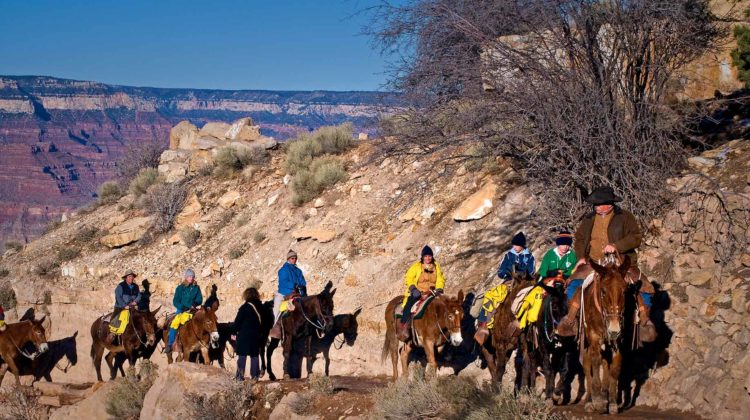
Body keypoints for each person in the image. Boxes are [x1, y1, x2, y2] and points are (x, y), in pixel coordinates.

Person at [557, 186, 656, 342]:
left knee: (644, 287)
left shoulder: (625, 217)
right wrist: (581, 257)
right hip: (595, 263)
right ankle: (571, 319)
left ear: (609, 203)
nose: (595, 207)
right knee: (573, 285)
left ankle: (644, 321)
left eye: (598, 204)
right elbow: (581, 239)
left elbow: (636, 237)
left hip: (621, 263)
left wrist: (617, 245)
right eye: (595, 204)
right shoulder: (589, 219)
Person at [473, 232, 535, 344]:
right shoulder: (508, 255)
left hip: (523, 284)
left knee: (534, 301)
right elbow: (500, 272)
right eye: (514, 245)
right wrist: (507, 272)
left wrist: (521, 273)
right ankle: (483, 325)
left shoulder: (529, 256)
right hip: (509, 282)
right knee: (490, 295)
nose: (515, 247)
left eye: (517, 245)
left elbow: (532, 271)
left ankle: (532, 329)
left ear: (522, 245)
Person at [397, 245, 445, 340]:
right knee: (409, 305)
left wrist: (439, 288)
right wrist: (413, 289)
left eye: (429, 256)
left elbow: (440, 279)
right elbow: (408, 277)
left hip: (432, 292)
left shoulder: (436, 267)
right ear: (422, 257)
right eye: (425, 256)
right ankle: (404, 326)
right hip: (418, 292)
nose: (428, 258)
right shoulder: (416, 266)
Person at [165, 268, 203, 353]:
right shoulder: (180, 288)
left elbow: (200, 299)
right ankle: (170, 344)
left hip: (193, 309)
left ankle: (203, 341)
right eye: (189, 276)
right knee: (174, 323)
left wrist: (195, 303)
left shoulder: (196, 288)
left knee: (202, 320)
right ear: (186, 277)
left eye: (192, 276)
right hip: (182, 309)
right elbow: (175, 301)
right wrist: (182, 307)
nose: (191, 278)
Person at [232, 287, 263, 381]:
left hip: (244, 335)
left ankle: (239, 377)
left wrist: (233, 331)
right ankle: (254, 377)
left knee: (242, 355)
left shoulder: (244, 307)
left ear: (246, 295)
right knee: (254, 356)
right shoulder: (261, 307)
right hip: (256, 335)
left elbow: (237, 322)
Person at [107, 269, 141, 343]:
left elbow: (139, 295)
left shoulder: (136, 286)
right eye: (129, 276)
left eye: (132, 276)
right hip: (120, 307)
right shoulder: (120, 286)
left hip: (132, 307)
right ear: (126, 278)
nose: (131, 278)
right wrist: (124, 305)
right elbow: (118, 297)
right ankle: (113, 333)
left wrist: (136, 301)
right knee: (116, 319)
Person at [274, 250, 307, 321]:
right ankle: (273, 328)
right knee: (276, 313)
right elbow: (284, 282)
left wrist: (302, 287)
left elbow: (303, 282)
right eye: (292, 258)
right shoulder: (283, 270)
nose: (294, 260)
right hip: (284, 294)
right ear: (288, 259)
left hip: (297, 293)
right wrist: (295, 285)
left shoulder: (298, 271)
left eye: (295, 258)